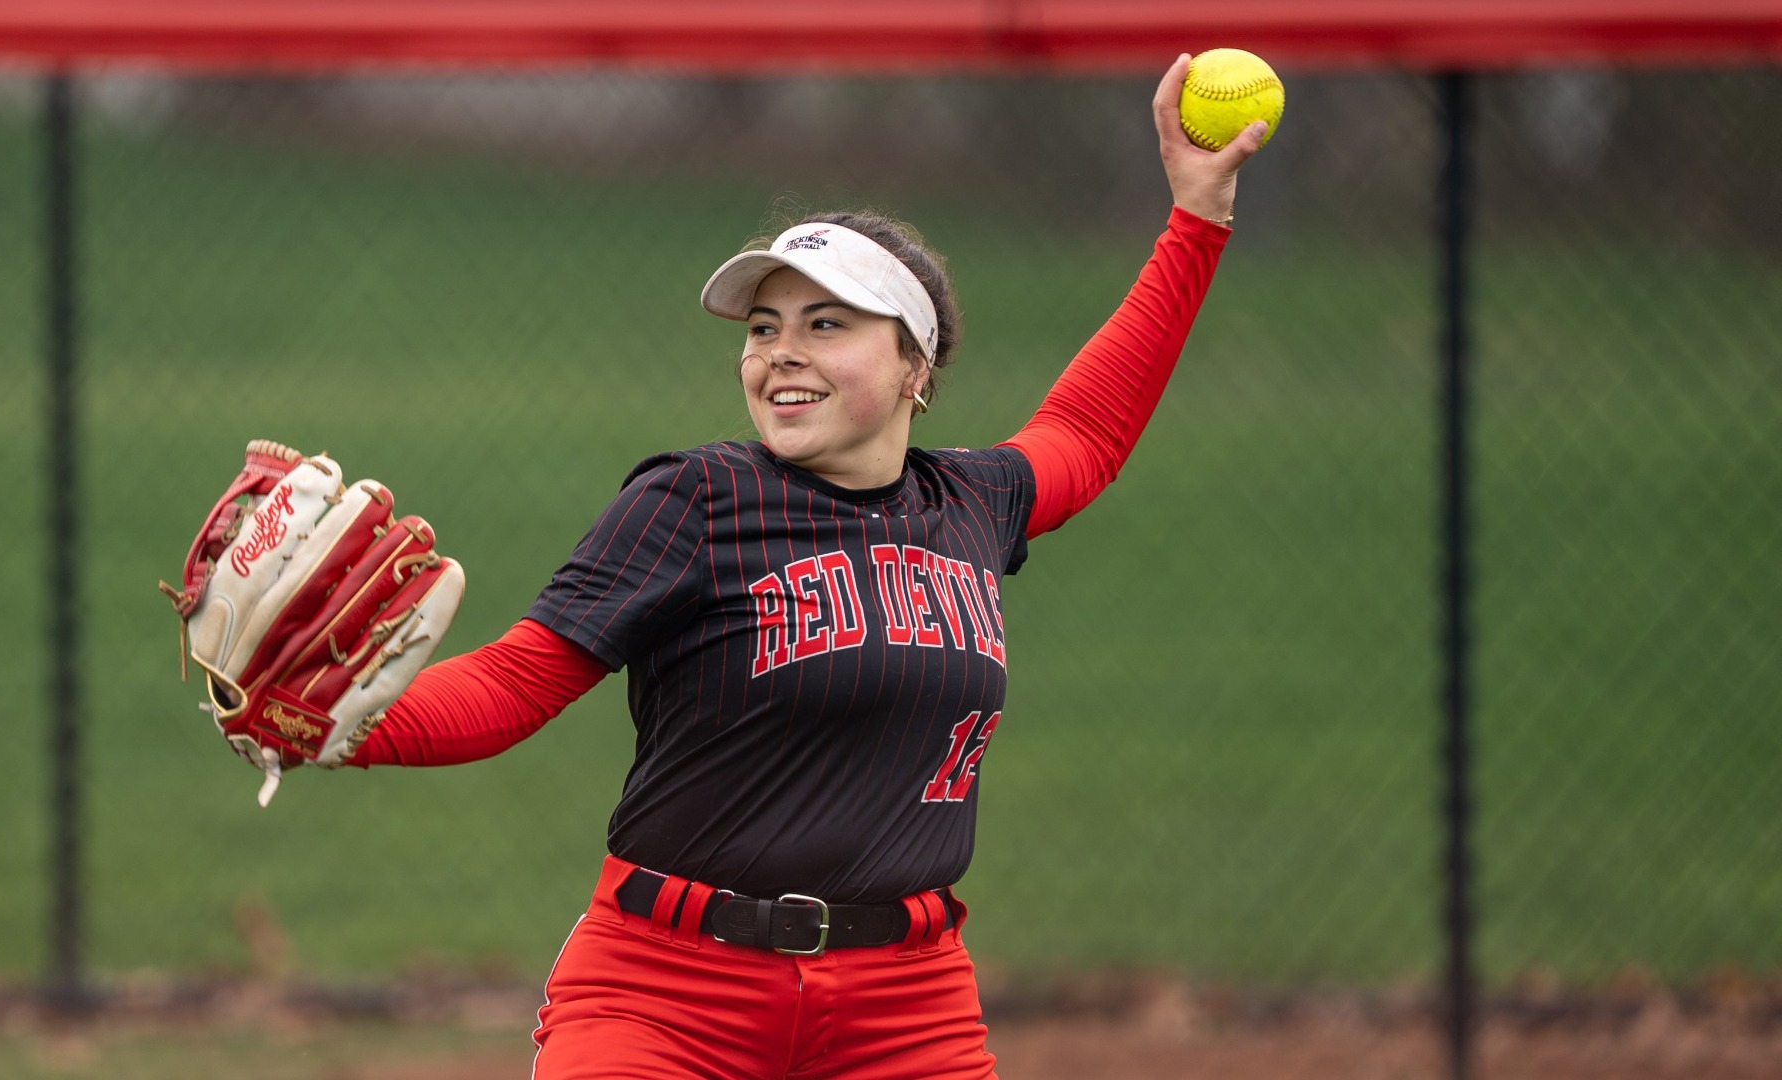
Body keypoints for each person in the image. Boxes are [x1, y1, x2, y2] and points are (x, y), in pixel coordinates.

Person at [345, 55, 1263, 1078]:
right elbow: (517, 681)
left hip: (906, 1002)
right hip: (666, 992)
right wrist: (343, 721)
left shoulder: (971, 501)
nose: (781, 351)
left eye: (827, 324)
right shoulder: (695, 501)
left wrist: (1197, 215)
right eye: (763, 328)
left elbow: (1087, 429)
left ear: (915, 368)